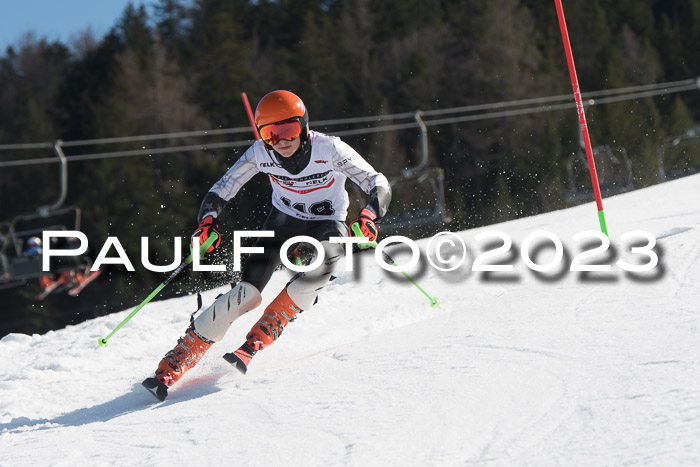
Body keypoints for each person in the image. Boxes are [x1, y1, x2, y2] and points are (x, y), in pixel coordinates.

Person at [144, 90, 391, 399]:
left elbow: (376, 181)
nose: (281, 141)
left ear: (303, 126)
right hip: (283, 223)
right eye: (270, 134)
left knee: (317, 273)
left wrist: (369, 215)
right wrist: (207, 221)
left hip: (327, 224)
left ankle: (263, 333)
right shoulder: (260, 153)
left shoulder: (329, 148)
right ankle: (180, 356)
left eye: (288, 130)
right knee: (245, 295)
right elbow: (223, 188)